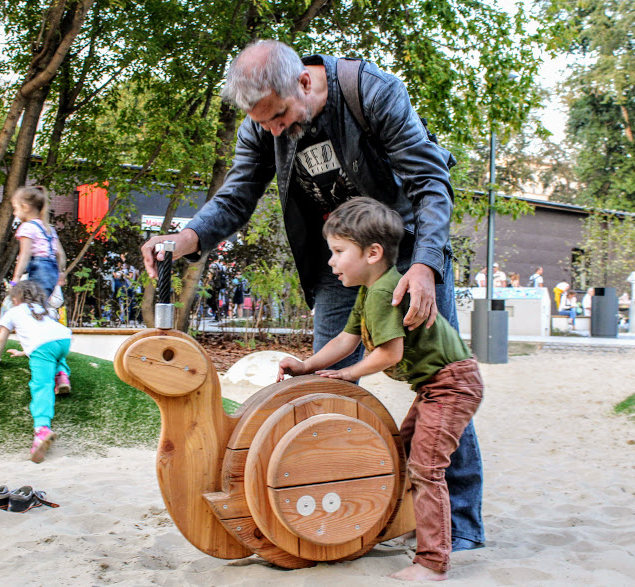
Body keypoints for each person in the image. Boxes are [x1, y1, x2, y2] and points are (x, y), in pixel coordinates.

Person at [140, 40, 485, 551]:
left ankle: (460, 526)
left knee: (438, 384)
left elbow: (429, 182)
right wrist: (186, 239)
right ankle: (340, 516)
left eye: (279, 116)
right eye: (265, 122)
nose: (274, 129)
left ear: (304, 81)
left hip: (409, 256)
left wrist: (426, 267)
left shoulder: (372, 92)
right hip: (338, 266)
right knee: (325, 391)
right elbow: (236, 196)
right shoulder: (260, 125)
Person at [277, 198, 483, 580]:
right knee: (397, 453)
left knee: (426, 467)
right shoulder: (366, 292)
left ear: (373, 253)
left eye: (338, 252)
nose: (331, 262)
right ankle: (395, 526)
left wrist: (348, 374)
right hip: (433, 386)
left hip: (452, 385)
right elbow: (345, 339)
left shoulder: (384, 292)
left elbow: (389, 353)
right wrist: (305, 365)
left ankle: (433, 561)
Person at [0, 281, 72, 463]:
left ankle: (42, 429)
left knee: (41, 386)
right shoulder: (40, 309)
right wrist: (25, 351)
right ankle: (62, 374)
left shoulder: (13, 312)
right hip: (64, 338)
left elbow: (1, 340)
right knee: (57, 356)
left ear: (14, 298)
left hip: (43, 347)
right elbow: (46, 335)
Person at [10, 186, 66, 298]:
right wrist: (60, 273)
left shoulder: (27, 227)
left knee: (33, 305)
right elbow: (60, 254)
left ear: (25, 207)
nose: (14, 213)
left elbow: (25, 254)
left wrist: (16, 278)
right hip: (52, 273)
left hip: (39, 271)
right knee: (41, 302)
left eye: (15, 208)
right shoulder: (48, 228)